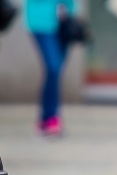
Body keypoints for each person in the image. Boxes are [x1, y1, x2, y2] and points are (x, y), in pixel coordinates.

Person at [23, 0, 78, 136]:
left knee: (55, 72)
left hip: (65, 19)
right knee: (53, 68)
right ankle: (52, 117)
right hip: (41, 20)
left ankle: (45, 119)